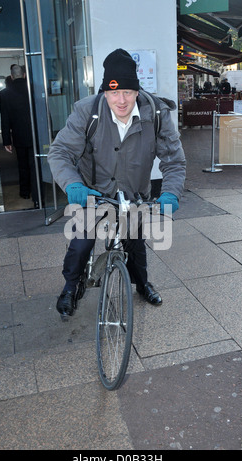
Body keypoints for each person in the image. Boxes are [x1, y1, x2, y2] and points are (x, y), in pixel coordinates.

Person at [47, 48, 186, 320]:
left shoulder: (156, 114)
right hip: (91, 191)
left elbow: (174, 161)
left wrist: (170, 193)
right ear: (105, 91)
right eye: (113, 93)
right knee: (81, 242)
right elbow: (60, 152)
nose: (120, 100)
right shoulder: (87, 112)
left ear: (137, 91)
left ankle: (142, 284)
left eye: (127, 92)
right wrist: (73, 184)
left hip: (134, 193)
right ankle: (71, 285)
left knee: (135, 242)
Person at [0, 64, 40, 208]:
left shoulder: (4, 94)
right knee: (35, 165)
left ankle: (24, 192)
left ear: (11, 76)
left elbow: (5, 119)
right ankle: (37, 196)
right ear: (24, 75)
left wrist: (6, 141)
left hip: (19, 136)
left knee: (22, 165)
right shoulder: (34, 90)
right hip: (36, 134)